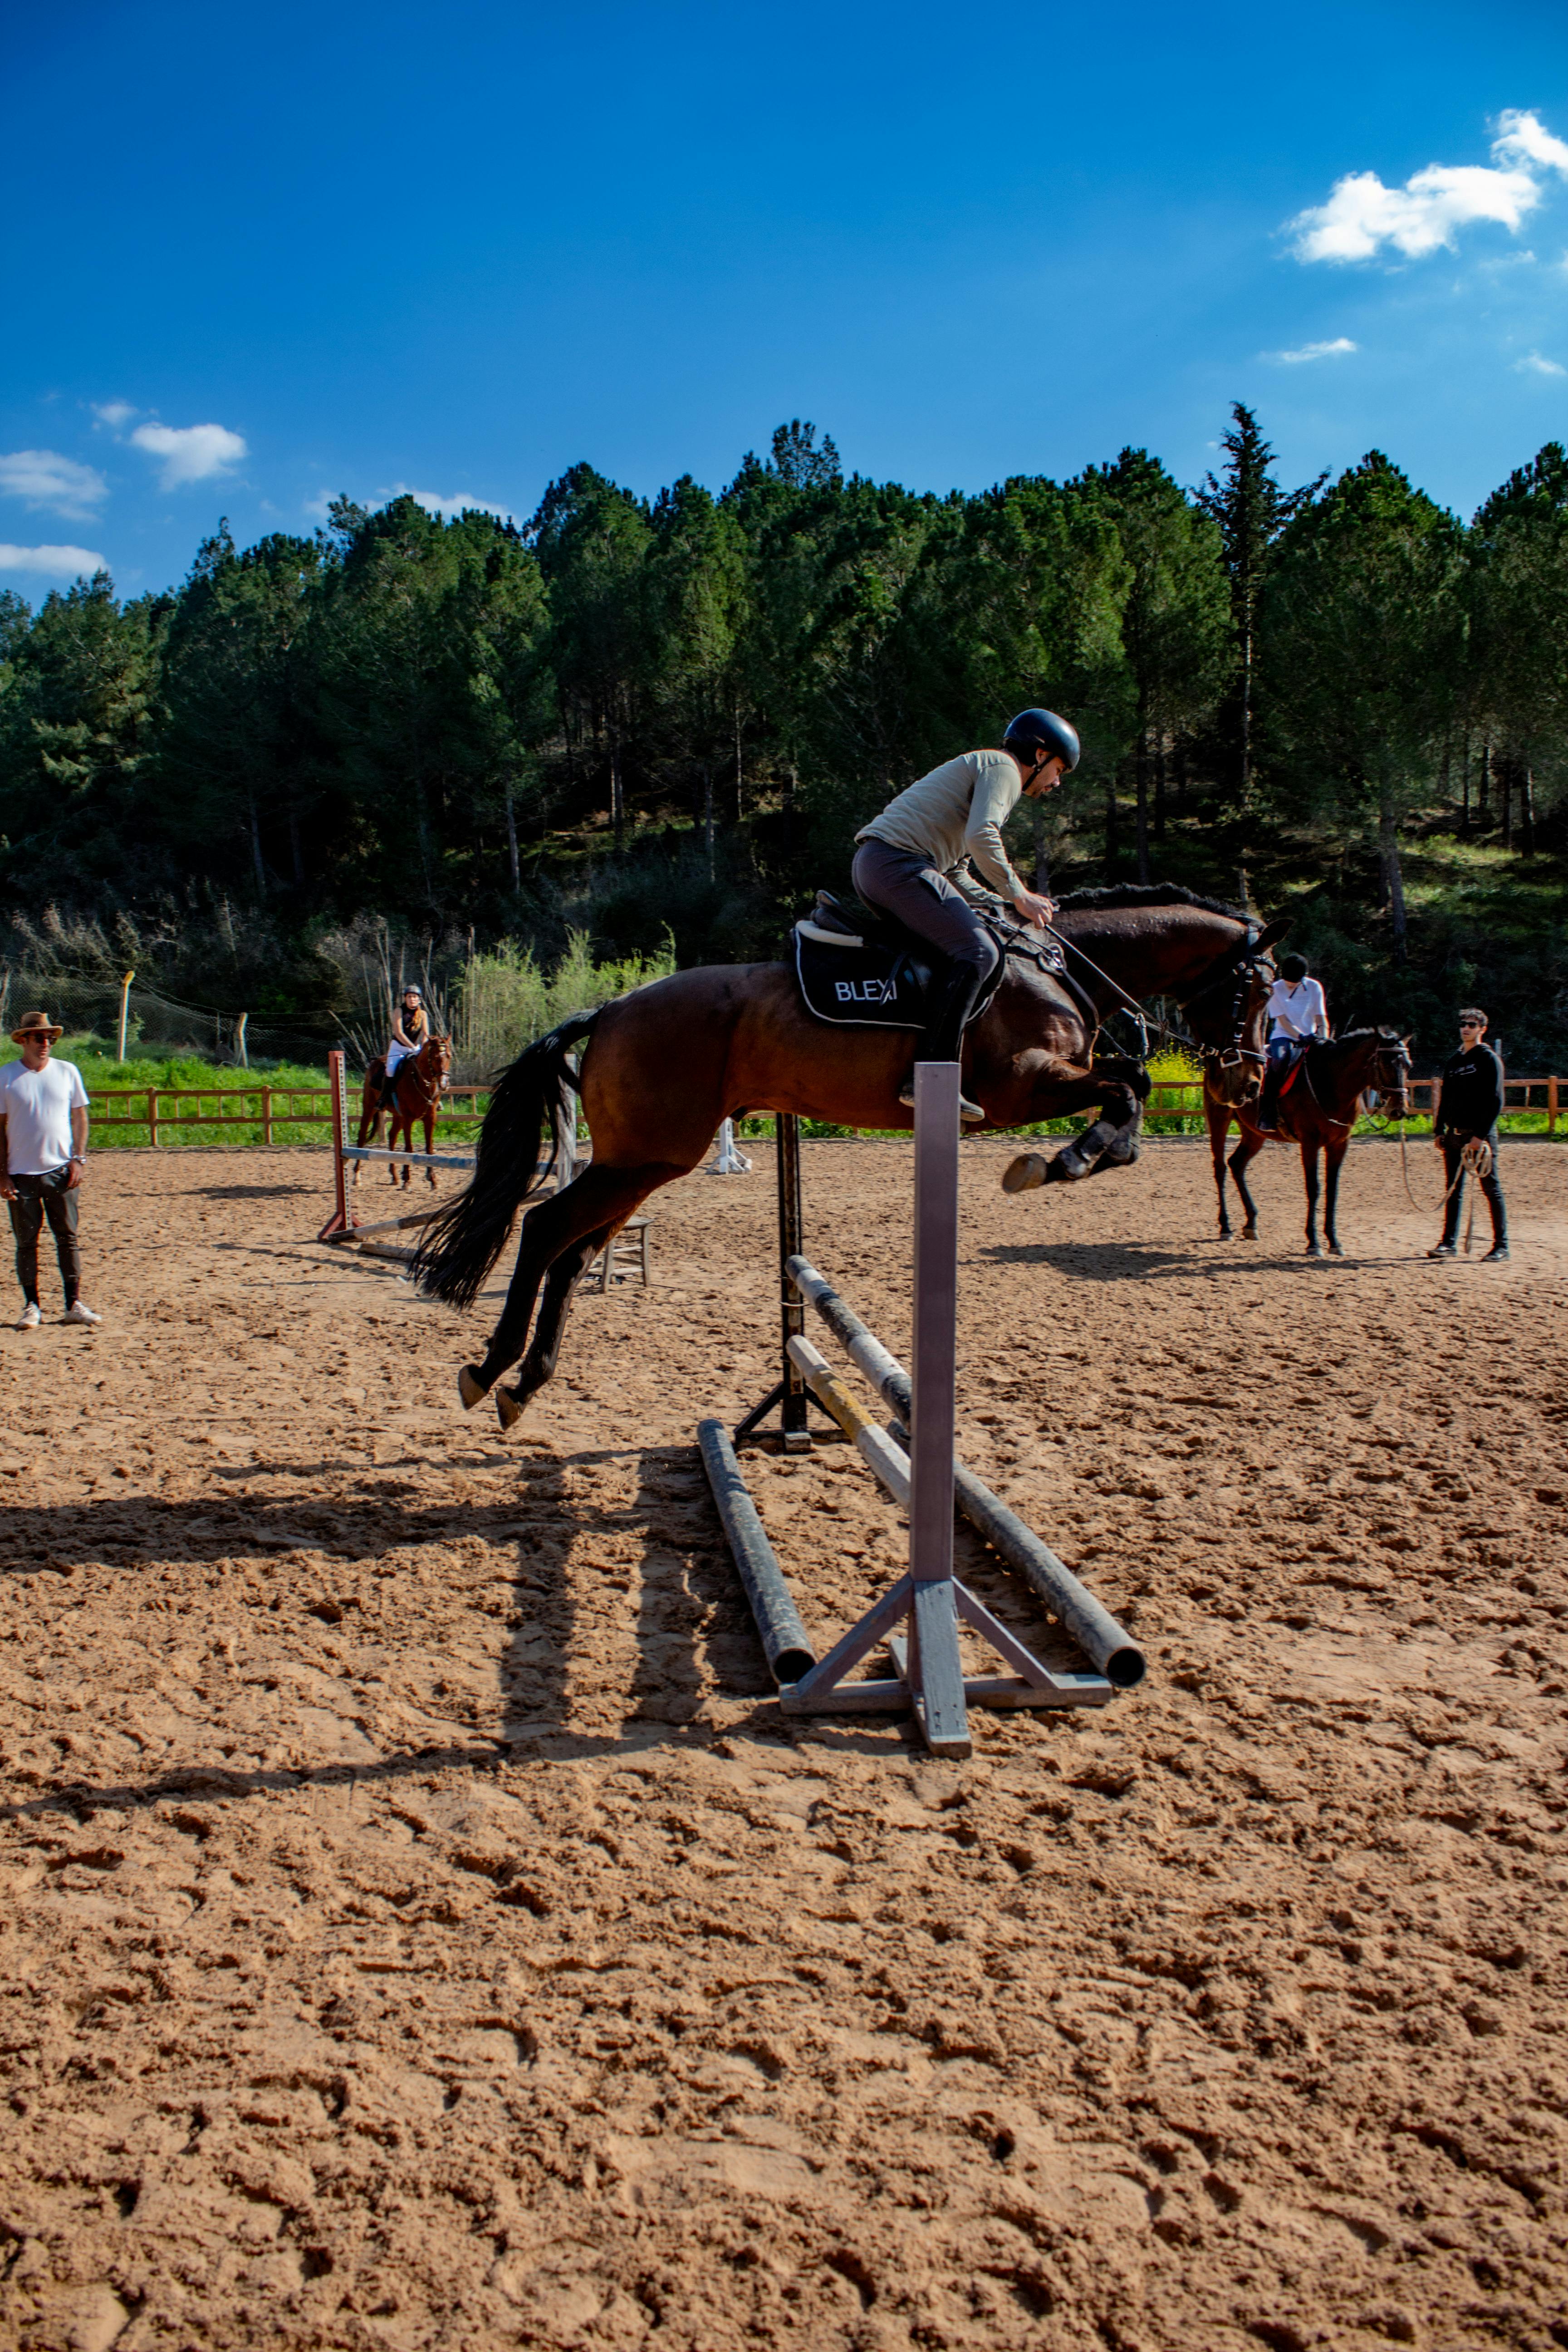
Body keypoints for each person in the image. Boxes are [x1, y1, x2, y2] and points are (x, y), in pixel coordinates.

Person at [850, 708, 1079, 1123]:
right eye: (1059, 769)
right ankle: (931, 1080)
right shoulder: (1005, 768)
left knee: (975, 945)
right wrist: (1020, 893)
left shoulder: (988, 770)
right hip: (897, 865)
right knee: (979, 953)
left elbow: (956, 872)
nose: (1057, 782)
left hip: (887, 866)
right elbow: (982, 836)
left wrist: (1003, 906)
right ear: (1041, 755)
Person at [0, 1010, 99, 1329]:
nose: (47, 1043)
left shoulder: (68, 1072)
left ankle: (74, 1304)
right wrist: (2, 1174)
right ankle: (32, 1306)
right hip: (21, 1174)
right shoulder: (6, 1077)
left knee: (67, 1238)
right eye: (40, 1038)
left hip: (61, 1172)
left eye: (51, 1038)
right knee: (27, 1243)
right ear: (24, 1040)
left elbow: (80, 1117)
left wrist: (79, 1158)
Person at [1428, 1007, 1508, 1262]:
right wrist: (1439, 1130)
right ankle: (1448, 1243)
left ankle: (1502, 1246)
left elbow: (1496, 1101)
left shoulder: (1488, 1059)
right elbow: (1447, 1098)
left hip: (1478, 1136)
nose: (1466, 1028)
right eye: (1463, 1024)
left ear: (1482, 1030)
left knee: (1491, 1188)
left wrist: (1481, 1136)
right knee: (1453, 1190)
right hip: (1454, 1135)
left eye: (1472, 1025)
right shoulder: (1454, 1061)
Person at [1255, 952, 1329, 1133]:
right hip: (1284, 1035)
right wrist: (1301, 1037)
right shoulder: (1275, 988)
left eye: (1294, 982)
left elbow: (1321, 1018)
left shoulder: (1314, 987)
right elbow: (1283, 1020)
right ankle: (1268, 1111)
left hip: (1312, 1036)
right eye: (1288, 981)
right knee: (1280, 1059)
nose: (1290, 984)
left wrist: (1325, 1038)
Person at [376, 985, 430, 1117]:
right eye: (410, 997)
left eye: (415, 997)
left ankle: (434, 1099)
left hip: (416, 1048)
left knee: (428, 1069)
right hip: (398, 1047)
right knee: (390, 1070)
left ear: (419, 1000)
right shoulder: (399, 1011)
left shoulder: (423, 1014)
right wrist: (411, 1047)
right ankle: (383, 1099)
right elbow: (399, 1033)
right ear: (406, 998)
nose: (412, 999)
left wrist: (422, 1049)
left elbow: (425, 1034)